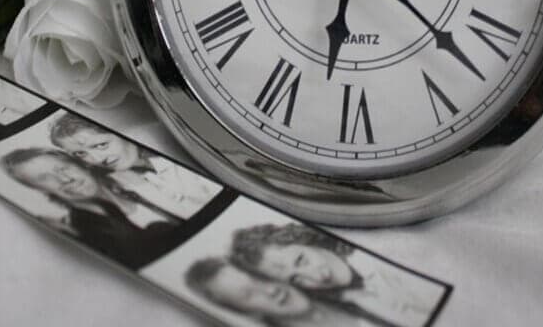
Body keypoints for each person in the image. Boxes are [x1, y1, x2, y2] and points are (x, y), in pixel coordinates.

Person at [0, 147, 179, 269]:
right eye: (45, 178)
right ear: (39, 189)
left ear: (80, 164)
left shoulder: (135, 176)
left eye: (63, 168)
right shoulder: (87, 231)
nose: (65, 179)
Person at [231, 223, 438, 327]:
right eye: (296, 279)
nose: (318, 277)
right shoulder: (346, 303)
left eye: (301, 260)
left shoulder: (386, 257)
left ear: (305, 240)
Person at [49, 113, 221, 220]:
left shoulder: (169, 145)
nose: (97, 159)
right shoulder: (120, 184)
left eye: (101, 145)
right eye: (80, 153)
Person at [185, 258, 385, 326]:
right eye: (249, 294)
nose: (271, 290)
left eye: (258, 278)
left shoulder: (366, 289)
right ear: (245, 311)